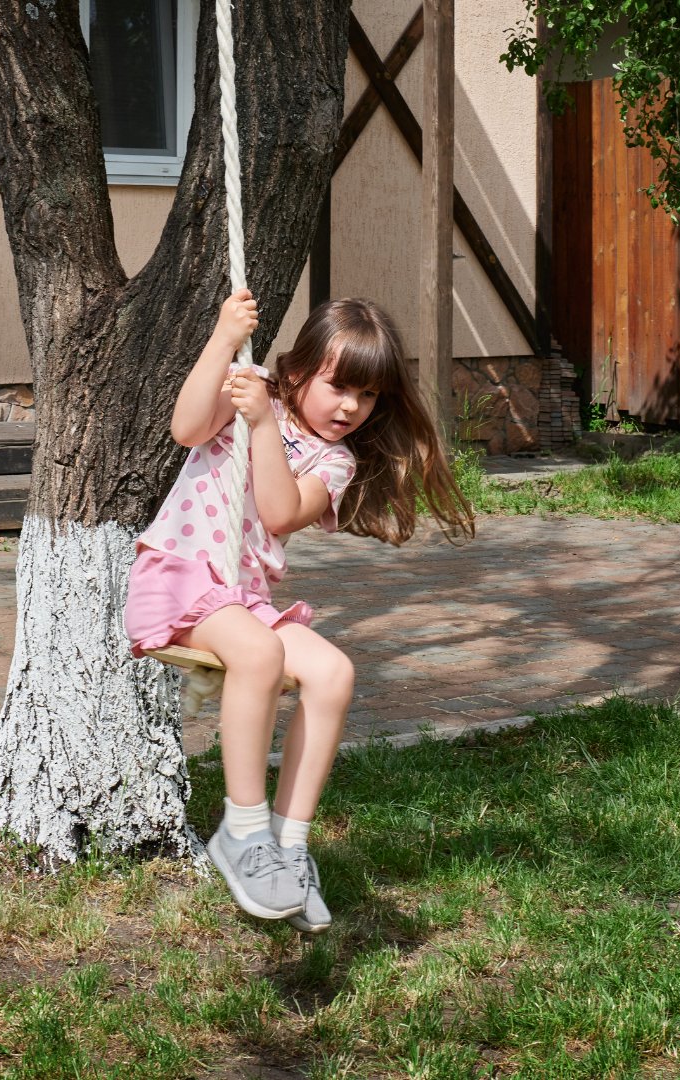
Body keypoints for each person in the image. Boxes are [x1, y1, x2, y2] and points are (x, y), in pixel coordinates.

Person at [125, 289, 474, 933]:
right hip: (177, 577)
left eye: (368, 396)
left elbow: (282, 511)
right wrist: (224, 341)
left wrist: (262, 427)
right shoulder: (252, 391)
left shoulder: (333, 460)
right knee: (261, 653)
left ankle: (287, 847)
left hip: (239, 597)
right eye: (340, 386)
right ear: (296, 373)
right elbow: (185, 428)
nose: (351, 407)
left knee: (334, 672)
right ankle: (243, 831)